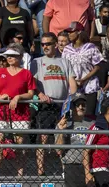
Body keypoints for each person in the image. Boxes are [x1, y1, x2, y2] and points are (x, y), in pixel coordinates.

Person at [32, 32, 77, 177]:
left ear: (55, 45)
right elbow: (31, 84)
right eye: (43, 44)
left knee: (62, 139)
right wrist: (40, 95)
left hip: (62, 105)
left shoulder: (65, 62)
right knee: (43, 138)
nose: (45, 46)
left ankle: (65, 171)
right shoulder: (36, 62)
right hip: (46, 104)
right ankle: (41, 172)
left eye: (48, 44)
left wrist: (71, 99)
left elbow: (72, 84)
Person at [0, 48, 36, 178]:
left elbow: (31, 93)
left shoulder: (26, 73)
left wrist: (18, 97)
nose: (9, 58)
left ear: (20, 57)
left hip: (20, 112)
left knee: (19, 144)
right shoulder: (0, 72)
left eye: (12, 56)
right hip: (1, 111)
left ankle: (19, 174)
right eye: (8, 56)